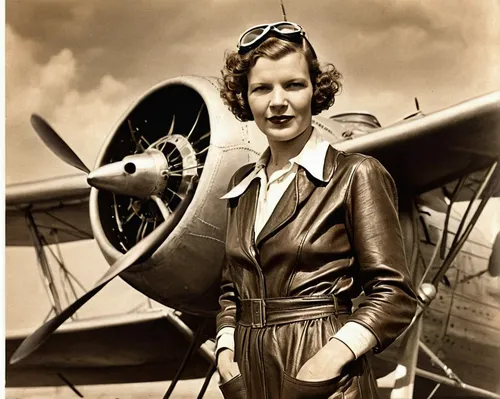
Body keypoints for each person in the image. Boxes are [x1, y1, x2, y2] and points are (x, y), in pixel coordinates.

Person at [216, 21, 417, 399]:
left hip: (324, 377)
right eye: (262, 88)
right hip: (248, 376)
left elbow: (395, 294)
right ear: (245, 98)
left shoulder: (356, 174)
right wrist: (227, 352)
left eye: (293, 85)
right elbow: (231, 289)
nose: (278, 101)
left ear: (315, 90)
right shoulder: (242, 185)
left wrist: (328, 361)